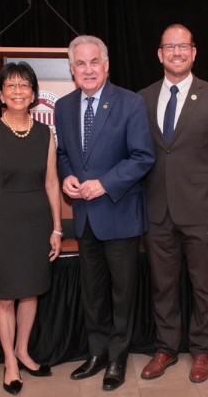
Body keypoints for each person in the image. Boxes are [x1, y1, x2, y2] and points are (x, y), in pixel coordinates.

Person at [55, 35, 155, 392]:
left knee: (122, 291)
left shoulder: (129, 103)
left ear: (106, 64)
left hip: (119, 211)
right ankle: (96, 352)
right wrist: (66, 175)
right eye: (80, 64)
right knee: (92, 291)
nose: (87, 69)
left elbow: (143, 157)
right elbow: (64, 152)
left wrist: (105, 183)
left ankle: (117, 356)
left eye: (93, 62)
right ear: (71, 69)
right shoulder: (63, 106)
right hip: (83, 216)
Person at [138, 24, 208, 383]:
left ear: (194, 52)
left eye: (183, 46)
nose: (176, 52)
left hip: (201, 211)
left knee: (204, 286)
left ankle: (202, 351)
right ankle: (165, 348)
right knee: (162, 285)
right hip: (156, 210)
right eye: (169, 47)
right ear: (160, 54)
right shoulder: (143, 98)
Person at [0, 62, 62, 395]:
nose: (18, 91)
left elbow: (52, 183)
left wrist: (56, 229)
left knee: (31, 290)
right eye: (11, 86)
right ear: (0, 94)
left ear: (35, 94)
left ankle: (24, 349)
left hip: (37, 223)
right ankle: (10, 360)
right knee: (6, 297)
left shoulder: (44, 134)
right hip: (2, 223)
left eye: (24, 85)